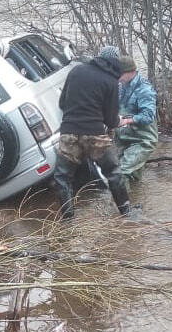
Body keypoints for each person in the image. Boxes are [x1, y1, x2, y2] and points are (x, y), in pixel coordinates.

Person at [53, 45, 131, 219]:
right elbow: (110, 121)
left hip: (69, 133)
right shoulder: (111, 82)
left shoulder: (77, 71)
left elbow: (62, 103)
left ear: (99, 57)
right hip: (95, 136)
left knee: (62, 177)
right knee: (113, 173)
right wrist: (121, 120)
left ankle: (68, 220)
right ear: (115, 62)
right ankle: (126, 213)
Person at [115, 55, 158, 182]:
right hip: (125, 138)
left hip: (143, 140)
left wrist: (127, 120)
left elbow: (149, 116)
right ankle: (137, 198)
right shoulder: (121, 86)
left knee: (120, 171)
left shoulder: (144, 90)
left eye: (120, 74)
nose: (117, 77)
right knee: (134, 176)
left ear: (131, 72)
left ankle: (121, 202)